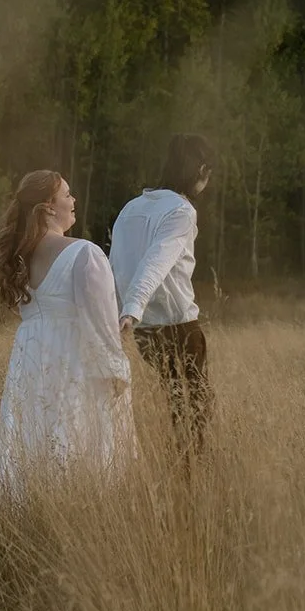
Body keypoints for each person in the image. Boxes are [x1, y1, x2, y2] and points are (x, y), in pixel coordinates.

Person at [0, 169, 136, 497]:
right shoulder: (84, 254)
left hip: (29, 364)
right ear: (48, 207)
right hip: (73, 362)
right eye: (67, 195)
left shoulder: (21, 259)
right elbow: (99, 322)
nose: (74, 201)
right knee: (78, 439)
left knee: (32, 438)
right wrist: (115, 371)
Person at [110, 135, 215, 455]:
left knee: (172, 402)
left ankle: (175, 471)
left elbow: (118, 265)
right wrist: (131, 307)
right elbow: (156, 260)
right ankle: (192, 479)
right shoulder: (182, 211)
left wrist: (122, 310)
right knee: (195, 411)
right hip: (177, 325)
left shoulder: (131, 208)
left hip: (144, 330)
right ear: (200, 169)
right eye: (208, 174)